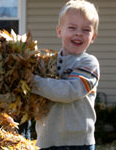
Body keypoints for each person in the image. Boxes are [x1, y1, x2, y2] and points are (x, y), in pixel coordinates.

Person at [31, 0, 100, 149]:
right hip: (46, 141)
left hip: (78, 143)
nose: (78, 33)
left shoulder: (89, 63)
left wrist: (32, 82)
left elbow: (68, 91)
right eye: (72, 27)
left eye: (86, 30)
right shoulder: (47, 63)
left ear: (93, 37)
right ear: (59, 31)